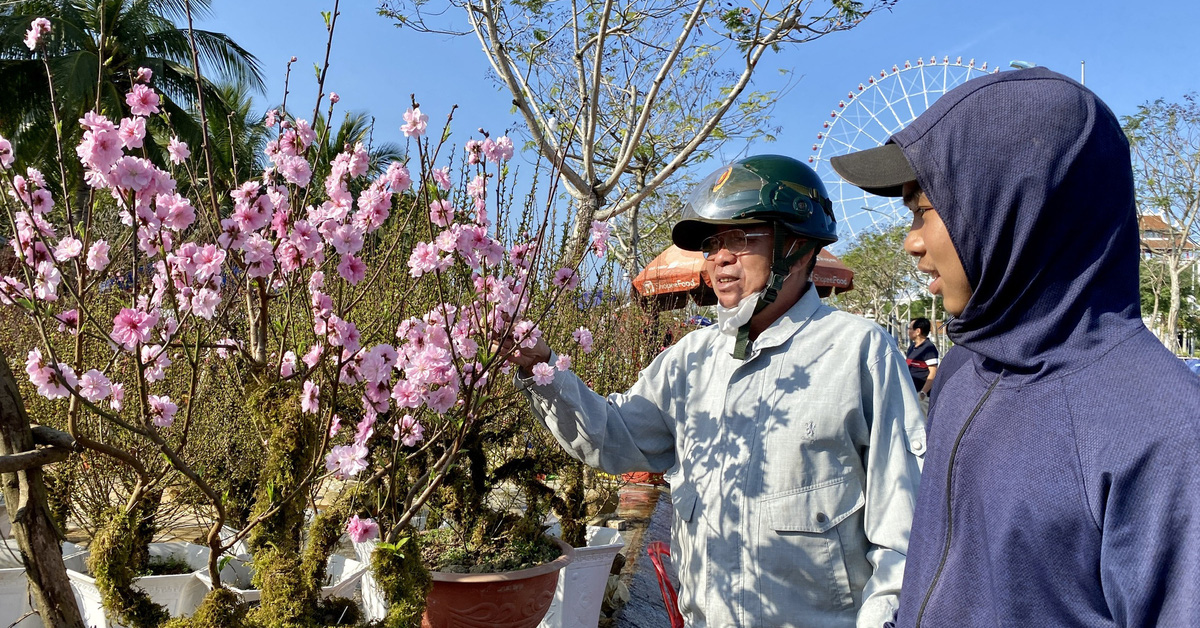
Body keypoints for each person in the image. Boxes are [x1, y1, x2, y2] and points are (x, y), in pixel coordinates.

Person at [831, 67, 1200, 627]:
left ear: (1013, 208)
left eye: (922, 211)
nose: (910, 243)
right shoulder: (962, 369)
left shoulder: (1166, 432)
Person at [507, 155, 927, 628]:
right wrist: (542, 368)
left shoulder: (858, 352)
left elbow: (904, 529)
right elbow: (614, 436)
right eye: (712, 243)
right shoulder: (692, 359)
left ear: (799, 245)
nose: (721, 257)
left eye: (742, 237)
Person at [904, 318, 938, 404]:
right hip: (910, 394)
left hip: (921, 397)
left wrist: (923, 392)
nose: (908, 331)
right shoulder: (912, 347)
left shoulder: (929, 348)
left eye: (910, 329)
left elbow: (933, 372)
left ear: (918, 331)